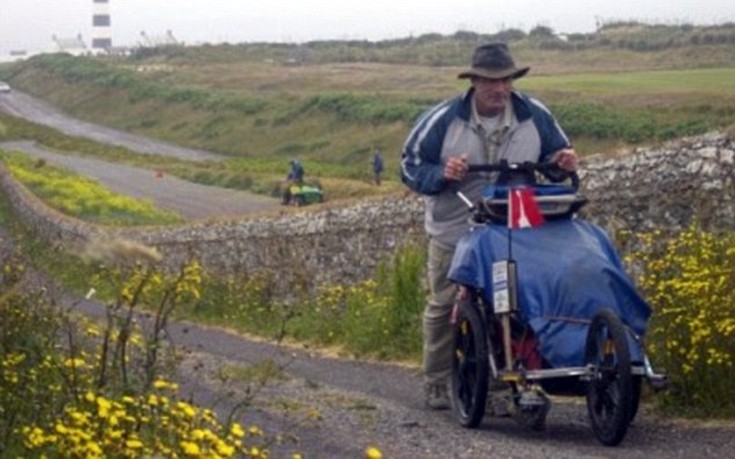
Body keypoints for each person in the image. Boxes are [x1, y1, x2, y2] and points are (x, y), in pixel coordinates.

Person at [399, 42, 578, 410]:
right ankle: (436, 380)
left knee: (518, 301)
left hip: (518, 225)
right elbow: (410, 166)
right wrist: (442, 173)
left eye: (506, 80)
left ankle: (512, 379)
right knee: (446, 302)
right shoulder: (443, 119)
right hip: (455, 225)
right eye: (491, 82)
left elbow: (556, 159)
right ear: (475, 81)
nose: (500, 89)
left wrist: (563, 163)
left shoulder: (535, 114)